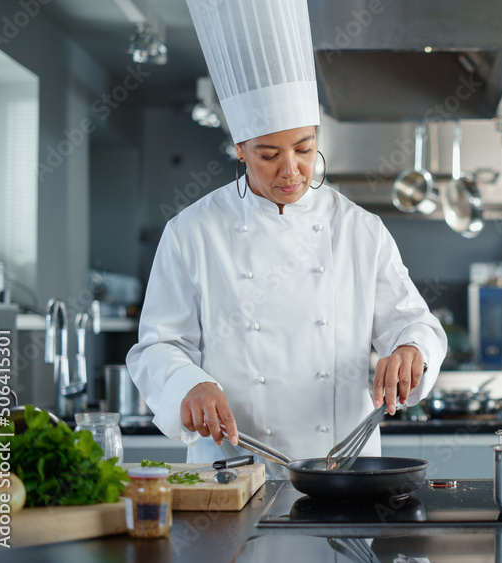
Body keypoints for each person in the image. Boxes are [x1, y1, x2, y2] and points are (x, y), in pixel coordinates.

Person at [126, 0, 447, 477]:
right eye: (269, 154)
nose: (291, 170)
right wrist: (187, 386)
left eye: (304, 148)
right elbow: (158, 346)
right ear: (239, 148)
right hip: (230, 470)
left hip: (344, 475)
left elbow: (414, 324)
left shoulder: (360, 230)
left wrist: (409, 351)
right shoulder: (191, 233)